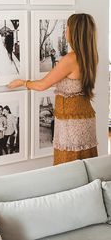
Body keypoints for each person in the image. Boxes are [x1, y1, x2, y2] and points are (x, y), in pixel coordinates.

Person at [8, 13, 98, 165]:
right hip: (85, 116)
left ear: (74, 32)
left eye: (67, 28)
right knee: (86, 166)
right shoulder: (91, 55)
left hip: (71, 121)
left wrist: (22, 82)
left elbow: (42, 85)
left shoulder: (70, 59)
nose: (65, 32)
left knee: (69, 166)